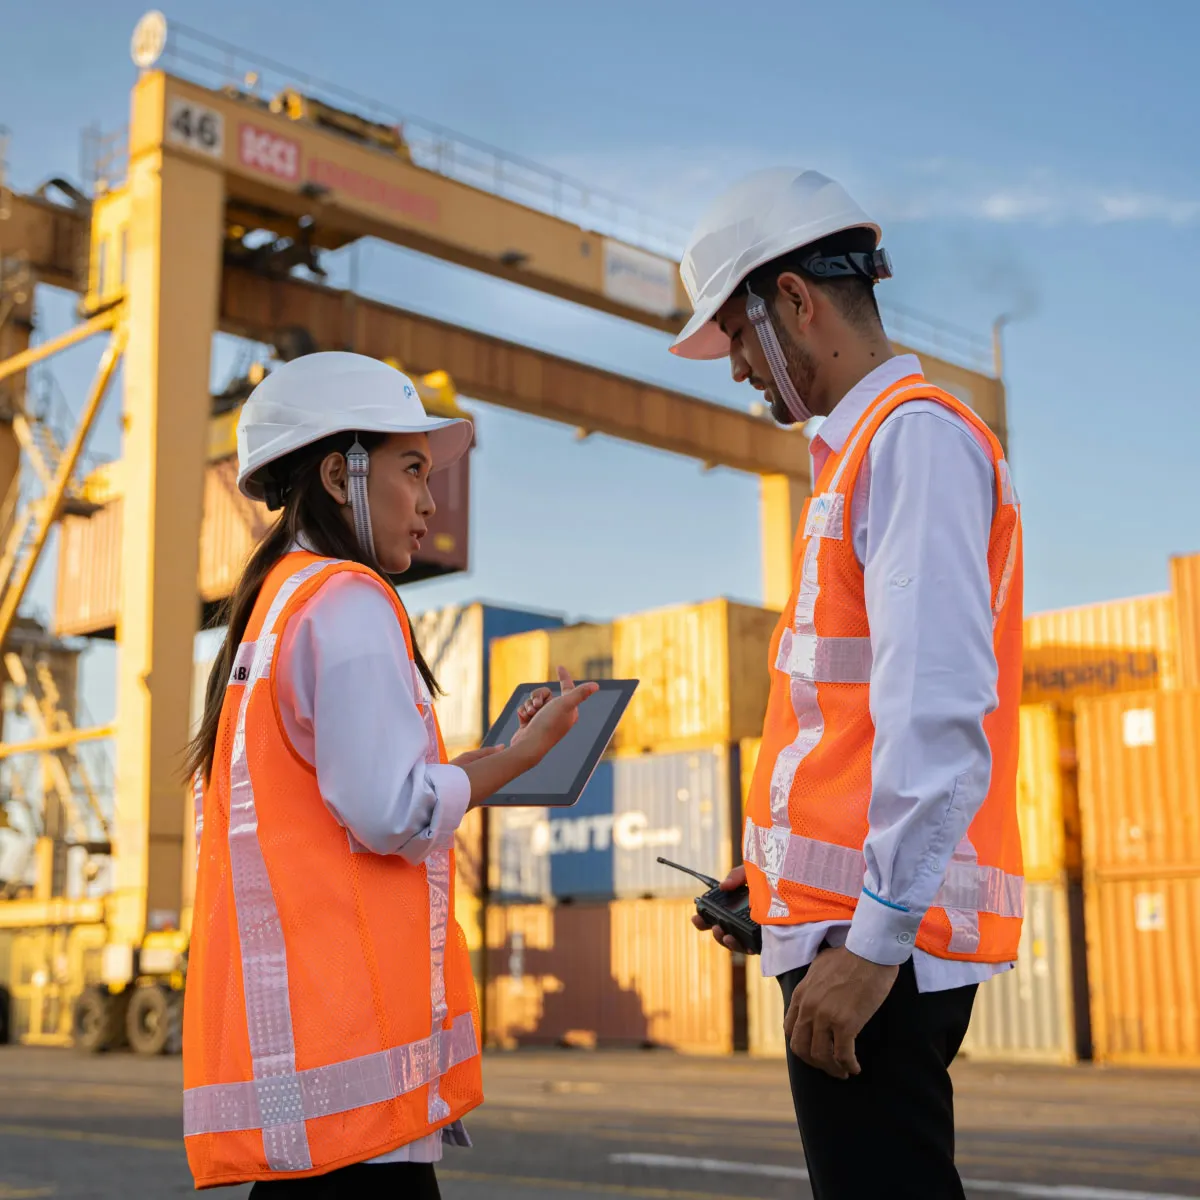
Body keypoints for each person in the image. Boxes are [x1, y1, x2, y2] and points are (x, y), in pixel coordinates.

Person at [674, 169, 1024, 1199]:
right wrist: (771, 887)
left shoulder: (912, 441)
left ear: (794, 301)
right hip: (845, 926)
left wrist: (871, 945)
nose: (735, 366)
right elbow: (852, 727)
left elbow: (937, 711)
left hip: (876, 951)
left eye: (736, 336)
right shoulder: (860, 458)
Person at [180, 351, 597, 1198]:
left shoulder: (277, 607)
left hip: (315, 1081)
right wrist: (516, 761)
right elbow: (389, 813)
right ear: (341, 473)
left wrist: (482, 762)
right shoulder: (347, 598)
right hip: (356, 1095)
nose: (432, 500)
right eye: (413, 469)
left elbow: (351, 799)